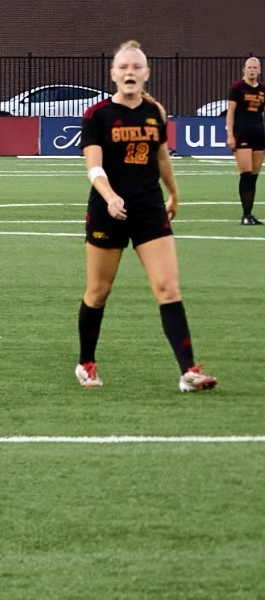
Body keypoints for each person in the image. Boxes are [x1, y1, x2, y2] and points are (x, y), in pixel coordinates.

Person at [77, 41, 216, 392]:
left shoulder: (156, 112)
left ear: (146, 74)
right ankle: (86, 363)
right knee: (98, 292)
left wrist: (174, 194)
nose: (129, 73)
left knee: (168, 288)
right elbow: (93, 167)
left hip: (149, 210)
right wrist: (109, 197)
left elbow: (162, 157)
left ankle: (189, 372)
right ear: (112, 74)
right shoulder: (98, 115)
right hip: (108, 211)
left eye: (136, 67)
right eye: (123, 67)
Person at [225, 57, 264, 225]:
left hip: (259, 134)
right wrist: (230, 135)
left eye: (255, 67)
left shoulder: (262, 90)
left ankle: (250, 214)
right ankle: (246, 215)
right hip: (242, 134)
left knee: (254, 176)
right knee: (246, 174)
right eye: (249, 67)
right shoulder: (237, 88)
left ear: (260, 70)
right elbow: (230, 112)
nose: (252, 70)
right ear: (244, 69)